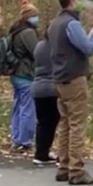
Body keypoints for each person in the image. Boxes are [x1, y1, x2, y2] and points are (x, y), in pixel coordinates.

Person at [49, 0, 93, 185]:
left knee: (65, 124)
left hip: (59, 79)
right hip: (74, 79)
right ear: (72, 1)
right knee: (77, 125)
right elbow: (87, 48)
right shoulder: (71, 24)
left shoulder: (54, 23)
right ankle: (76, 170)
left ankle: (63, 166)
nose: (81, 2)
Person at [8, 0, 41, 152]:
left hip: (15, 74)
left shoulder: (15, 29)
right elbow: (37, 52)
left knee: (18, 106)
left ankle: (16, 138)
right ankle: (25, 140)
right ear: (30, 17)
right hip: (26, 74)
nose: (37, 19)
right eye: (35, 16)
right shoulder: (28, 33)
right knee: (28, 108)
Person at [31, 33, 60, 166]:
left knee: (42, 122)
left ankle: (40, 152)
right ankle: (44, 153)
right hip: (51, 87)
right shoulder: (56, 47)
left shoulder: (39, 46)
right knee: (51, 121)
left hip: (38, 87)